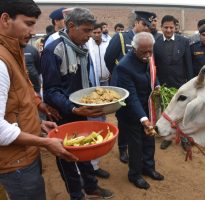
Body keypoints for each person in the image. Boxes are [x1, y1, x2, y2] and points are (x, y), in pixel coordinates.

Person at [0, 1, 77, 200]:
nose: (33, 31)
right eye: (28, 23)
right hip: (14, 165)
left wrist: (37, 122)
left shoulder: (12, 50)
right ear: (5, 19)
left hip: (22, 156)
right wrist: (44, 142)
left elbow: (16, 102)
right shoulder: (1, 61)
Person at [41, 8, 113, 199]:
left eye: (92, 31)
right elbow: (50, 91)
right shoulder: (53, 50)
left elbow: (85, 84)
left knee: (85, 150)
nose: (90, 36)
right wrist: (72, 108)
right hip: (61, 114)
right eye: (87, 31)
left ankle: (91, 187)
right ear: (71, 26)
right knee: (66, 156)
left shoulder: (82, 49)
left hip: (79, 109)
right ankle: (76, 194)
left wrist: (95, 103)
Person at [105, 10, 156, 164]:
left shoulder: (147, 41)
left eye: (149, 25)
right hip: (123, 86)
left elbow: (149, 67)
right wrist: (118, 74)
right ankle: (122, 148)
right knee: (124, 120)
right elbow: (108, 58)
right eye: (144, 24)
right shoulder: (121, 37)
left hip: (139, 87)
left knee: (136, 125)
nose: (147, 28)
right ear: (136, 22)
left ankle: (142, 159)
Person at [115, 32, 164, 190]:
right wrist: (143, 119)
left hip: (147, 106)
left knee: (149, 139)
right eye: (144, 51)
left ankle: (148, 168)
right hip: (131, 112)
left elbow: (153, 74)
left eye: (150, 51)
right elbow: (131, 97)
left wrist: (156, 85)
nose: (148, 55)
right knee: (136, 144)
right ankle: (134, 174)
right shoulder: (124, 66)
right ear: (134, 48)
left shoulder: (148, 56)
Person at [153, 15, 193, 150]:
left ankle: (184, 138)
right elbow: (154, 67)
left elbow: (188, 64)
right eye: (166, 27)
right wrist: (157, 83)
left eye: (171, 27)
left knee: (182, 113)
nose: (169, 30)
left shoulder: (184, 42)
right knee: (166, 111)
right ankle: (168, 137)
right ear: (161, 27)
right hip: (164, 86)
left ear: (175, 27)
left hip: (180, 85)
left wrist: (190, 83)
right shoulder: (156, 43)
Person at [86, 23, 111, 179]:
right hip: (91, 87)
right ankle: (92, 166)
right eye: (94, 32)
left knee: (102, 117)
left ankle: (94, 163)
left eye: (99, 32)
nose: (97, 34)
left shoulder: (107, 43)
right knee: (93, 122)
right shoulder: (86, 45)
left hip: (106, 83)